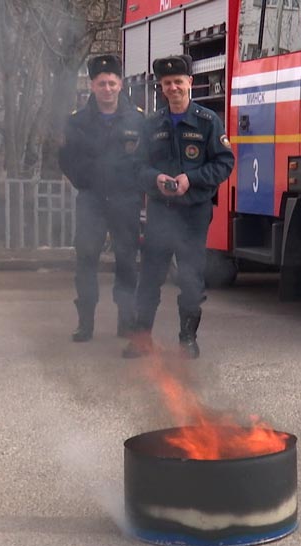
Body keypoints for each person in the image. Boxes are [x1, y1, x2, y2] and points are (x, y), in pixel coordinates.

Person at [122, 55, 234, 359]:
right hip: (160, 212)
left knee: (190, 279)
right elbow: (136, 166)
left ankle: (187, 339)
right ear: (161, 87)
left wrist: (191, 179)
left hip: (193, 214)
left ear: (190, 84)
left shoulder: (208, 122)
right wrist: (155, 178)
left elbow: (225, 162)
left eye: (179, 82)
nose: (173, 87)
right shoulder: (151, 125)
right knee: (150, 279)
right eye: (167, 83)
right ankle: (141, 339)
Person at [59, 54, 146, 343]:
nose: (107, 88)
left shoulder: (137, 118)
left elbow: (146, 158)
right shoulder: (77, 122)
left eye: (111, 83)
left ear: (120, 84)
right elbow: (66, 158)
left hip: (125, 200)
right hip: (92, 201)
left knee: (126, 261)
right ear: (92, 86)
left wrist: (134, 187)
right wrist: (85, 181)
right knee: (86, 260)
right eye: (101, 83)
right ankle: (85, 323)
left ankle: (126, 321)